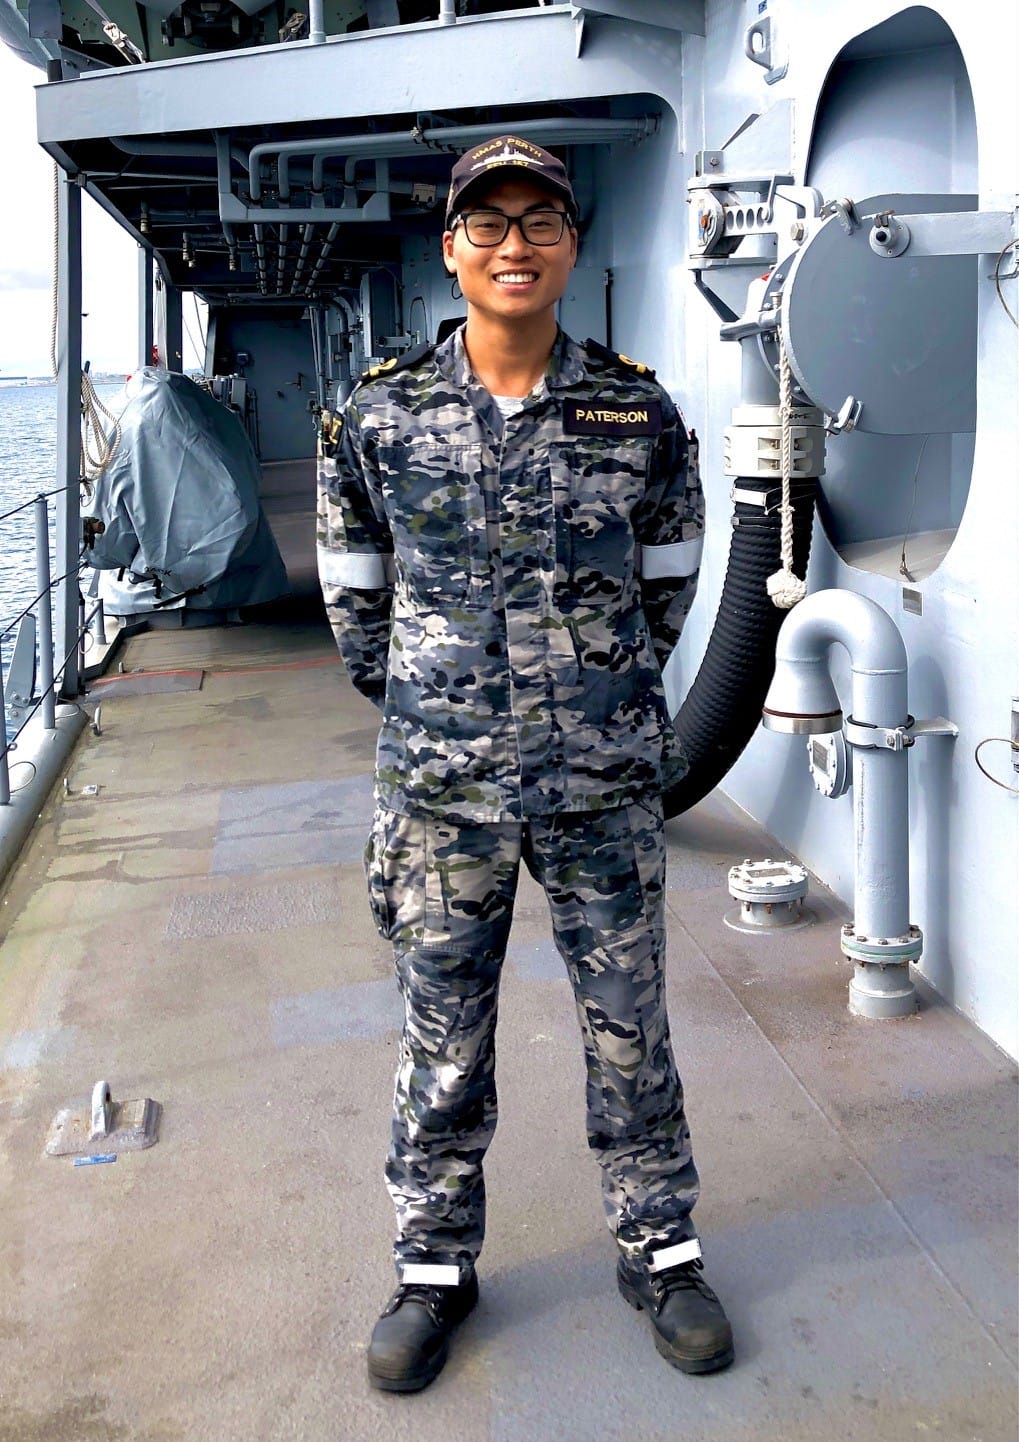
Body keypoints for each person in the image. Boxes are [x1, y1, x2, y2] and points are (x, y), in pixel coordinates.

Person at [316, 135, 733, 1393]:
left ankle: (660, 1249)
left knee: (629, 1026)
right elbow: (356, 601)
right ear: (450, 249)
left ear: (570, 244)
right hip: (442, 794)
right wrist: (438, 706)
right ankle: (432, 1267)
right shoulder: (378, 414)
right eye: (488, 223)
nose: (514, 244)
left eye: (539, 221)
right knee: (441, 1038)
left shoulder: (632, 411)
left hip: (601, 784)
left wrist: (594, 694)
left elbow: (668, 580)